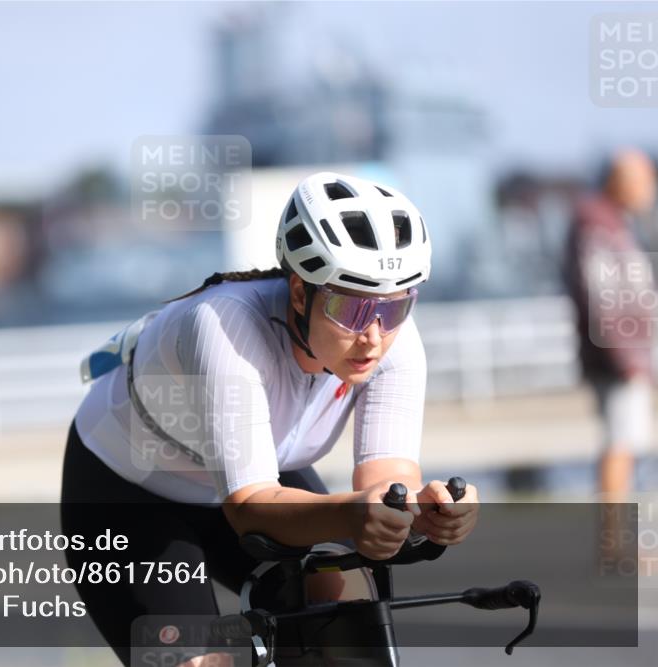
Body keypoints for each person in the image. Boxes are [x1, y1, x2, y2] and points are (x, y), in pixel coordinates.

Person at [60, 172, 479, 667]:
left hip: (255, 472)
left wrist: (426, 511)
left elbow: (385, 479)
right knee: (198, 662)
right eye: (351, 306)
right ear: (300, 293)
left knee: (334, 613)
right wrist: (353, 514)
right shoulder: (225, 325)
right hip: (130, 488)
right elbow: (249, 506)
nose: (373, 335)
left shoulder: (395, 339)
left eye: (395, 306)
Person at [563, 149, 656, 503]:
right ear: (622, 182)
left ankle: (621, 539)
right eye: (646, 182)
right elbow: (600, 295)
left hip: (624, 353)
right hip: (619, 357)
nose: (650, 191)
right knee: (621, 443)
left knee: (626, 443)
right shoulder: (597, 222)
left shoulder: (612, 220)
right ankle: (617, 543)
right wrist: (627, 358)